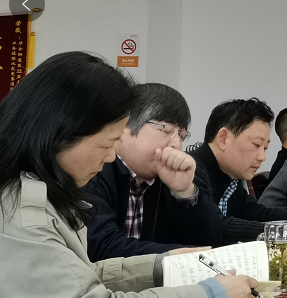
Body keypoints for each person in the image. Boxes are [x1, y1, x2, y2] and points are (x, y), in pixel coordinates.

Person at [0, 52, 255, 298]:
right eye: (107, 144)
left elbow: (79, 278)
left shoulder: (35, 191)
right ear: (61, 133)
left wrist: (163, 265)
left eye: (181, 135)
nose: (111, 156)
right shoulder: (20, 209)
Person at [85, 83, 221, 261]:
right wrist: (170, 256)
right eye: (166, 130)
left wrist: (185, 192)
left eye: (181, 135)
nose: (176, 144)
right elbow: (99, 246)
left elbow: (211, 239)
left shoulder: (166, 177)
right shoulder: (94, 169)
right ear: (124, 128)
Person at [188, 98, 287, 246]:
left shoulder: (229, 177)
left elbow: (259, 214)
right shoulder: (190, 172)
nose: (262, 157)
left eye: (265, 148)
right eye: (256, 145)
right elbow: (214, 228)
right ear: (223, 138)